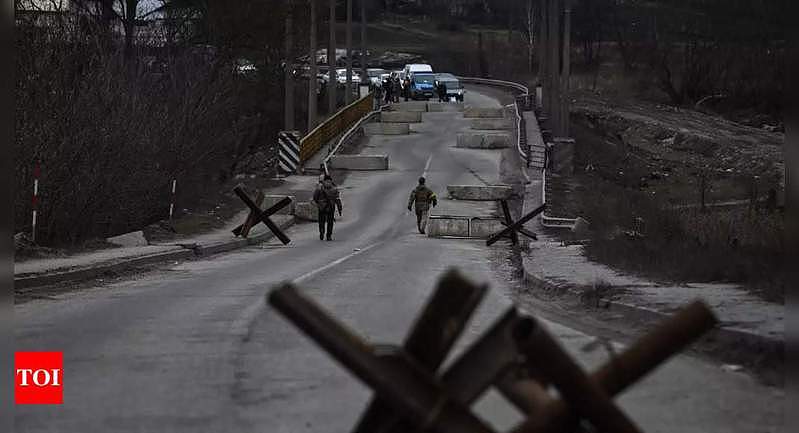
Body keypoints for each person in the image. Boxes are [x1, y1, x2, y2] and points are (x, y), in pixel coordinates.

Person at [313, 175, 343, 241]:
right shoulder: (321, 189)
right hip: (326, 207)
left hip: (327, 207)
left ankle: (325, 233)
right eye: (327, 181)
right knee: (325, 222)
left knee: (326, 222)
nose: (328, 183)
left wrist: (339, 208)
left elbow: (337, 199)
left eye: (329, 182)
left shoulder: (332, 189)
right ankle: (325, 234)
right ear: (324, 181)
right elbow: (315, 197)